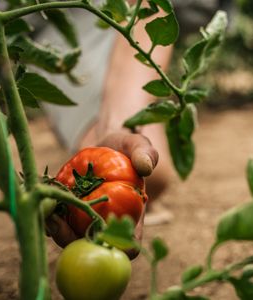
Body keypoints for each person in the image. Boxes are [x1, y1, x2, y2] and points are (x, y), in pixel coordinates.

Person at [42, 0, 233, 249]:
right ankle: (100, 127)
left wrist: (117, 126)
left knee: (145, 172)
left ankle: (117, 124)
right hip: (58, 13)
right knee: (136, 172)